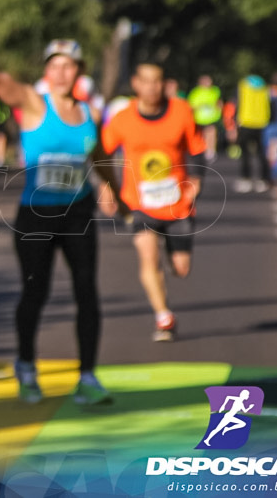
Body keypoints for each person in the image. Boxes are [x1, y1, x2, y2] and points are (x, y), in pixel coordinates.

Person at [0, 23, 125, 405]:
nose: (61, 73)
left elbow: (99, 158)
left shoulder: (87, 113)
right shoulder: (33, 103)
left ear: (79, 71)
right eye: (55, 66)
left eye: (69, 66)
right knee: (35, 291)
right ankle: (27, 367)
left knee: (87, 292)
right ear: (47, 71)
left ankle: (88, 377)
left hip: (78, 213)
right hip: (37, 217)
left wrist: (114, 191)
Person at [102, 62, 206, 342]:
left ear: (164, 84)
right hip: (139, 203)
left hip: (178, 202)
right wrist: (106, 186)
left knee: (181, 268)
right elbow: (101, 152)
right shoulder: (123, 119)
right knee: (148, 256)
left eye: (157, 81)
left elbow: (197, 149)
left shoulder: (181, 112)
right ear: (136, 84)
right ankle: (163, 316)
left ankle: (175, 257)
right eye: (146, 82)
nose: (151, 87)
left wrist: (197, 180)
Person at [232, 73, 272, 192]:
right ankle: (263, 180)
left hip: (246, 122)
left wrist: (235, 121)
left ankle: (246, 179)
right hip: (261, 122)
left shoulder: (243, 85)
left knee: (245, 154)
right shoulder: (264, 86)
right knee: (261, 153)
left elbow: (237, 102)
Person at [187, 74, 222, 163]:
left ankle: (210, 151)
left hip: (211, 117)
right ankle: (201, 150)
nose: (207, 83)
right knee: (200, 136)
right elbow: (190, 105)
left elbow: (219, 102)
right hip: (199, 118)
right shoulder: (195, 92)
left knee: (211, 133)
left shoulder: (215, 91)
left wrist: (219, 108)